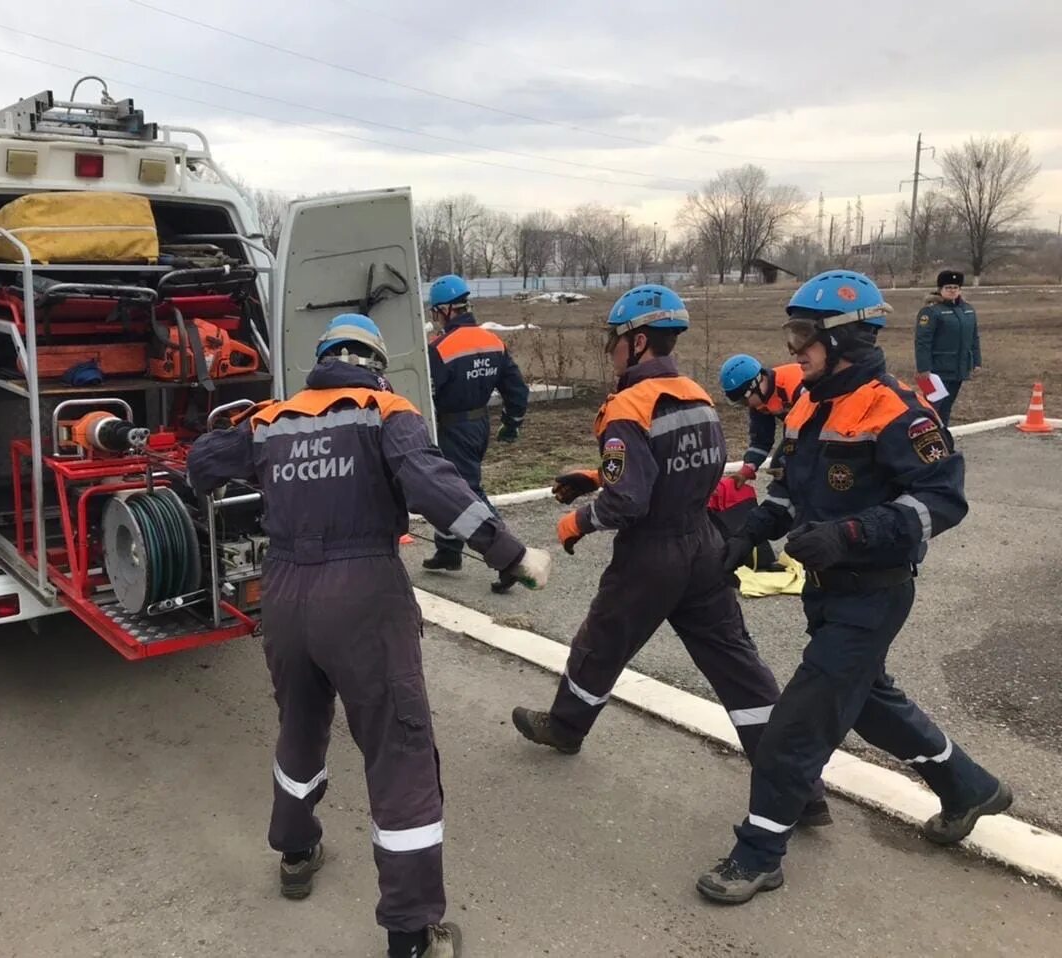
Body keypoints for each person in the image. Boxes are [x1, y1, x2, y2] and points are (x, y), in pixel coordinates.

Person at [187, 314, 550, 958]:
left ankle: (296, 852)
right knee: (399, 751)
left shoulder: (272, 419)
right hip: (364, 593)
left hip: (286, 593)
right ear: (373, 362)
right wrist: (510, 553)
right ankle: (410, 935)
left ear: (322, 361)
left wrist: (226, 426)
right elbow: (439, 488)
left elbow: (202, 464)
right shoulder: (385, 411)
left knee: (300, 724)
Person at [698, 269, 1011, 905]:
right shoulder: (811, 401)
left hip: (873, 592)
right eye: (791, 334)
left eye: (803, 335)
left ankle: (759, 854)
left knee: (797, 724)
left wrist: (850, 536)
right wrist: (747, 530)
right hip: (827, 590)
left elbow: (943, 503)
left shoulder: (897, 410)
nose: (792, 349)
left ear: (845, 339)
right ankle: (970, 787)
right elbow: (792, 489)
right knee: (868, 703)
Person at [508, 284, 830, 827]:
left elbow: (628, 498)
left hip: (650, 556)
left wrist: (575, 521)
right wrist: (592, 476)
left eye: (614, 340)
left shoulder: (627, 406)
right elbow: (680, 471)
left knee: (600, 643)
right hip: (703, 545)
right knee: (738, 667)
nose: (610, 349)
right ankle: (800, 788)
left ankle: (565, 728)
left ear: (636, 344)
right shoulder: (697, 396)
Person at [423, 274, 529, 584]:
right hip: (480, 424)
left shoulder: (440, 348)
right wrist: (512, 423)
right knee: (449, 487)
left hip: (453, 428)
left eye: (435, 313)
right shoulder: (493, 341)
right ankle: (448, 549)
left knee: (467, 493)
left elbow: (429, 393)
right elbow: (516, 389)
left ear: (445, 310)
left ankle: (509, 558)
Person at [718, 354, 805, 487]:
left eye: (743, 400)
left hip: (831, 426)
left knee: (791, 467)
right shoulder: (759, 402)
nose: (745, 405)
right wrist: (746, 471)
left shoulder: (797, 387)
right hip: (801, 431)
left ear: (754, 385)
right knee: (779, 466)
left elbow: (810, 434)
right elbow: (761, 441)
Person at [915, 268, 981, 424]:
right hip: (936, 370)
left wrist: (977, 362)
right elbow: (922, 341)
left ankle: (943, 437)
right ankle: (927, 437)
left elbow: (974, 337)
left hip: (959, 367)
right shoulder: (931, 311)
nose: (952, 291)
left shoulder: (968, 310)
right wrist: (923, 367)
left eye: (955, 287)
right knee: (931, 407)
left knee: (947, 406)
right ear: (940, 290)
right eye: (948, 288)